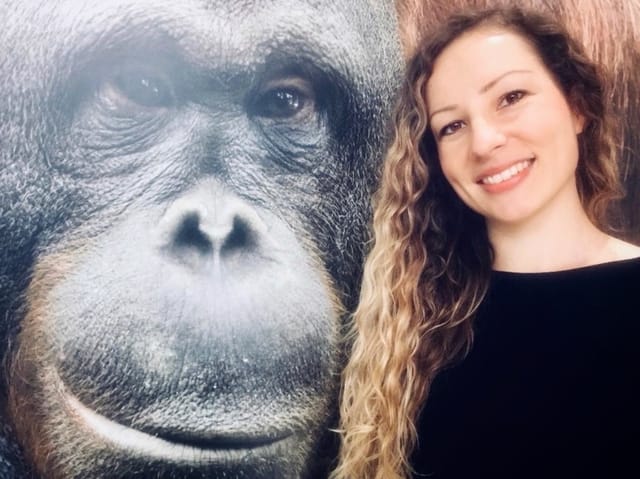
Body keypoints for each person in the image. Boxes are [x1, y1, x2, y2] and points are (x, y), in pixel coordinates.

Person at [331, 6, 640, 479]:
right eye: (452, 126)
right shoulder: (414, 327)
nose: (484, 142)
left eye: (510, 97)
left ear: (576, 104)